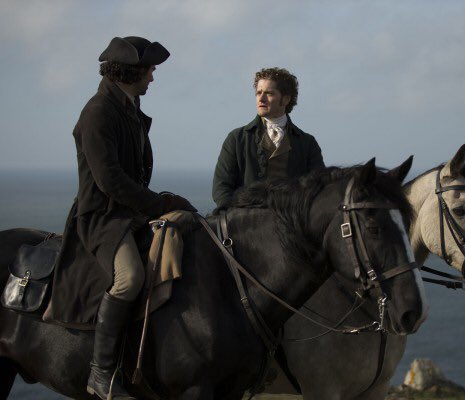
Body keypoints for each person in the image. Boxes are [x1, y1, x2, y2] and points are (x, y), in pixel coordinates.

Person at [57, 36, 196, 400]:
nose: (153, 77)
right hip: (103, 219)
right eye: (150, 70)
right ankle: (100, 374)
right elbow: (110, 181)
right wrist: (159, 203)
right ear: (131, 72)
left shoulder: (128, 107)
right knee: (130, 279)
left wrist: (162, 204)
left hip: (131, 214)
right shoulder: (98, 112)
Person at [212, 67, 324, 209]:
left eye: (269, 93)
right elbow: (221, 189)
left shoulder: (307, 143)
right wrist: (238, 219)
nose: (261, 98)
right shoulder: (236, 139)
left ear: (286, 99)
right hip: (247, 226)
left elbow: (319, 189)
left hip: (292, 226)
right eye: (258, 93)